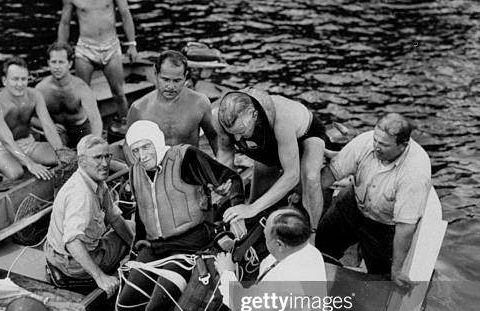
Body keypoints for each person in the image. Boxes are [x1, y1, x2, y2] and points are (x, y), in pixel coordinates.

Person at [109, 120, 244, 311]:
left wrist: (238, 213)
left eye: (146, 147)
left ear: (158, 143)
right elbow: (142, 215)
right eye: (136, 150)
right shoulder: (135, 172)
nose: (142, 155)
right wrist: (135, 252)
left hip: (188, 248)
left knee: (154, 310)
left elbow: (231, 180)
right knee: (124, 302)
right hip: (154, 248)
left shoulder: (186, 158)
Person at [316, 113, 431, 290]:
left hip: (384, 224)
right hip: (353, 203)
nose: (376, 146)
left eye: (384, 145)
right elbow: (330, 174)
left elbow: (405, 227)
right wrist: (304, 196)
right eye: (376, 140)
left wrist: (397, 270)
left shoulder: (415, 173)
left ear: (403, 145)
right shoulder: (365, 141)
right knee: (322, 241)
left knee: (381, 279)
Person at [215, 88, 327, 237]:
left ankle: (311, 234)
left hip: (306, 135)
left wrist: (252, 208)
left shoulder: (282, 120)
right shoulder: (219, 119)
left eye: (241, 131)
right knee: (257, 202)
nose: (237, 139)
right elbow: (225, 155)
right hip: (267, 142)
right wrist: (221, 181)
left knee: (311, 178)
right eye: (232, 133)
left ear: (254, 115)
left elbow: (292, 175)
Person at [44, 134, 133, 297]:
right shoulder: (81, 195)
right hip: (70, 262)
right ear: (82, 161)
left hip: (58, 252)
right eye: (98, 158)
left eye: (107, 156)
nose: (105, 164)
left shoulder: (95, 180)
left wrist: (134, 244)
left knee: (130, 228)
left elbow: (114, 217)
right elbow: (72, 242)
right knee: (132, 230)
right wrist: (101, 278)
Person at [0, 56, 70, 181]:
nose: (20, 84)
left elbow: (48, 127)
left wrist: (60, 151)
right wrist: (30, 163)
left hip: (26, 143)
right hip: (1, 147)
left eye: (23, 79)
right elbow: (7, 140)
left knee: (67, 157)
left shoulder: (35, 95)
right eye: (15, 79)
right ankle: (8, 176)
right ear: (4, 80)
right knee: (16, 173)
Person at [58, 0, 138, 130]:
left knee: (118, 93)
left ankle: (126, 127)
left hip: (111, 47)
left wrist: (132, 45)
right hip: (85, 48)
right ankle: (85, 131)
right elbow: (64, 22)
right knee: (81, 95)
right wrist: (60, 52)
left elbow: (125, 14)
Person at [127, 50, 218, 154]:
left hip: (189, 166)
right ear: (156, 74)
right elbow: (128, 146)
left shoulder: (200, 103)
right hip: (155, 168)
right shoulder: (139, 108)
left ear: (185, 76)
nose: (170, 87)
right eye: (165, 80)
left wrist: (224, 167)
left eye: (177, 81)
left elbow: (214, 137)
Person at [35, 42, 103, 148]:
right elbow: (28, 117)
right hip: (56, 132)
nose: (57, 67)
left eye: (61, 62)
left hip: (80, 130)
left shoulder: (81, 87)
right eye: (54, 62)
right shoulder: (41, 89)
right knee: (55, 153)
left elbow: (95, 119)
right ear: (48, 63)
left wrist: (95, 143)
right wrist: (48, 126)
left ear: (70, 64)